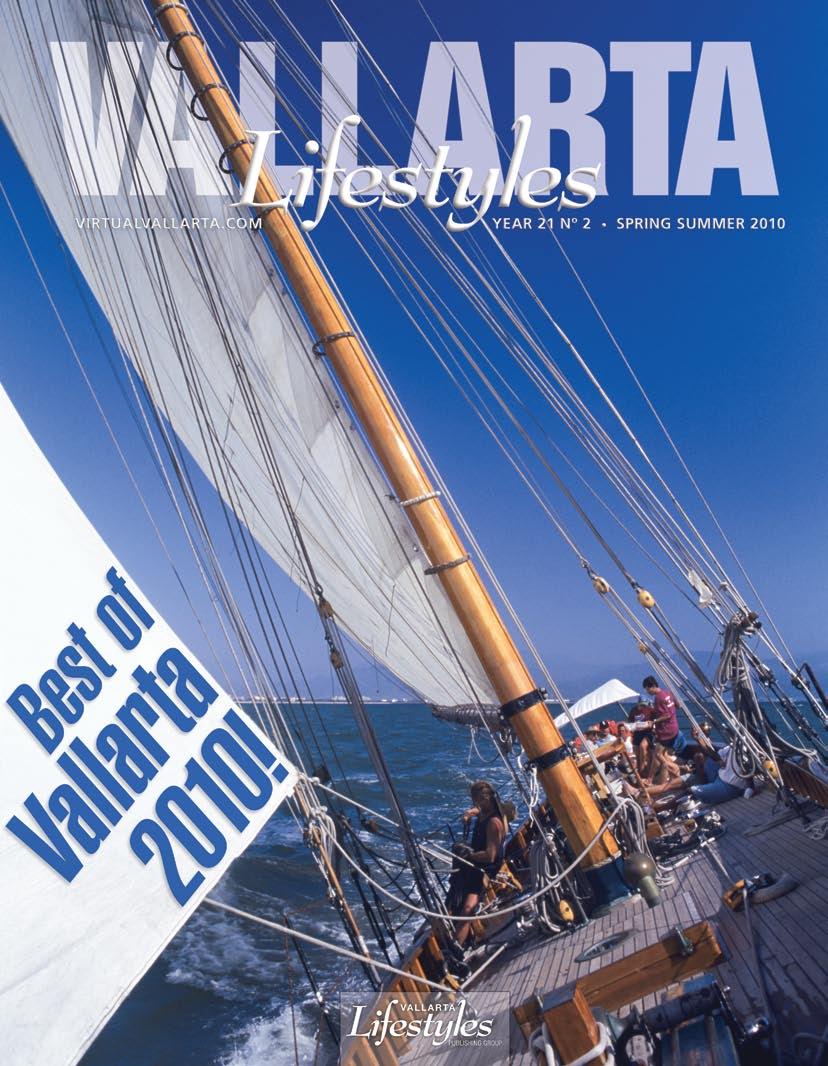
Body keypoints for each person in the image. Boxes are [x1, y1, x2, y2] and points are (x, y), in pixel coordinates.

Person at [450, 780, 508, 948]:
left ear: (484, 799)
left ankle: (456, 949)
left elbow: (490, 856)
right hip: (476, 862)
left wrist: (469, 856)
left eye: (475, 800)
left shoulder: (493, 823)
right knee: (455, 893)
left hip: (485, 868)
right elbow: (477, 811)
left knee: (468, 908)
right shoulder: (485, 811)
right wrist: (469, 814)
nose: (474, 803)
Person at [642, 676, 682, 751]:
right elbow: (678, 705)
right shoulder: (668, 693)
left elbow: (667, 715)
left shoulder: (658, 698)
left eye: (648, 689)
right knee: (663, 753)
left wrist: (654, 722)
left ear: (653, 686)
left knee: (659, 754)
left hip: (666, 732)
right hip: (674, 728)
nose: (647, 692)